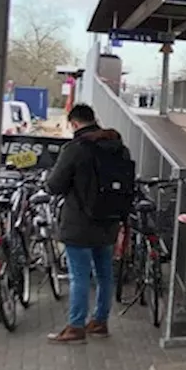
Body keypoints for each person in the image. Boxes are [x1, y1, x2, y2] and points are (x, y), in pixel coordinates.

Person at [45, 104, 136, 343]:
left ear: (74, 123)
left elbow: (55, 185)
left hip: (80, 223)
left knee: (79, 276)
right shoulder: (118, 148)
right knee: (105, 274)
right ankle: (100, 322)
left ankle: (75, 326)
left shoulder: (76, 148)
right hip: (110, 221)